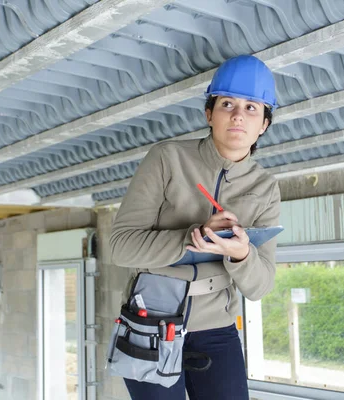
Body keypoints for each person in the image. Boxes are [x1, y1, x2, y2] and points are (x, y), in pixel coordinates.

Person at [108, 54, 281, 400]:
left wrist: (243, 253)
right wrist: (192, 237)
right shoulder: (167, 159)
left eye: (251, 108)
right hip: (150, 320)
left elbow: (261, 286)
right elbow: (120, 246)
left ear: (263, 123)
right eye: (227, 103)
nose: (237, 115)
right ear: (209, 114)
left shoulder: (266, 187)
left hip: (217, 327)